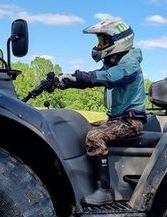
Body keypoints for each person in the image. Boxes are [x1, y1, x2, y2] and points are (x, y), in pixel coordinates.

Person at [58, 19, 147, 206]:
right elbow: (95, 78)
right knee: (80, 128)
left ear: (120, 41)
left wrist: (82, 75)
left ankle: (104, 190)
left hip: (131, 121)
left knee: (94, 136)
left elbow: (110, 78)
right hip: (118, 119)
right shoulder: (116, 61)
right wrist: (66, 82)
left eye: (103, 41)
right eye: (99, 41)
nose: (99, 46)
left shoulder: (129, 63)